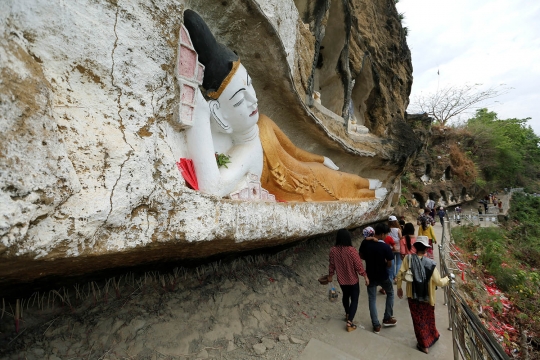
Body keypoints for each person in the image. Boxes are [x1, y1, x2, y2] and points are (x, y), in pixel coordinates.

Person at [183, 10, 382, 202]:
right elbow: (212, 187)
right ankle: (372, 193)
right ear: (219, 115)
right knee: (343, 189)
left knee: (345, 179)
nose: (253, 100)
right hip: (301, 189)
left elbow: (294, 151)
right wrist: (200, 115)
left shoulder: (263, 122)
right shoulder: (244, 151)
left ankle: (370, 185)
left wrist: (321, 160)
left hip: (308, 172)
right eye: (239, 100)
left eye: (250, 85)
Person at [397, 236, 450, 354]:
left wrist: (399, 288)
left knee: (418, 320)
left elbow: (400, 274)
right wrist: (448, 278)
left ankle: (423, 345)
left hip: (413, 296)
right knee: (428, 319)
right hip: (428, 297)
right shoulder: (430, 264)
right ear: (426, 249)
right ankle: (432, 337)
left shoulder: (408, 259)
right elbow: (439, 282)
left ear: (415, 248)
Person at [328, 229, 370, 332]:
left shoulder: (333, 250)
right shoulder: (352, 250)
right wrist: (365, 276)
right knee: (354, 300)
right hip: (353, 280)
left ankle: (347, 314)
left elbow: (331, 265)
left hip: (342, 280)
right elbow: (358, 265)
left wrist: (330, 275)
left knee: (345, 296)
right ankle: (350, 322)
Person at [359, 223, 396, 334]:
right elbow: (389, 264)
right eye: (386, 234)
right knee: (390, 293)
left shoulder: (365, 243)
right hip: (383, 275)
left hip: (370, 275)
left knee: (372, 299)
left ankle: (376, 325)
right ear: (383, 234)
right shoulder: (385, 247)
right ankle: (387, 318)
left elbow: (361, 255)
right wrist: (384, 262)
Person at [388, 216, 403, 284]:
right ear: (396, 221)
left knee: (392, 263)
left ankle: (393, 276)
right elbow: (401, 238)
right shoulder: (398, 230)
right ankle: (397, 277)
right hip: (398, 248)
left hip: (390, 248)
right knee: (398, 263)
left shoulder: (387, 229)